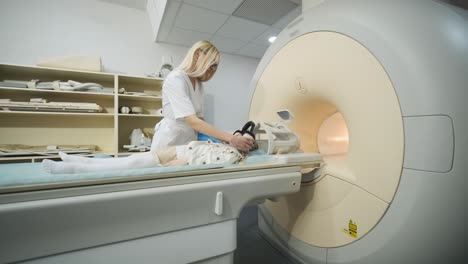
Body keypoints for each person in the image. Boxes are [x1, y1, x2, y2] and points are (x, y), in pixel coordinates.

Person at [151, 40, 254, 153]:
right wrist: (231, 138)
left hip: (188, 141)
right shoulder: (176, 78)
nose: (213, 70)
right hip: (170, 140)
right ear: (197, 55)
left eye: (215, 67)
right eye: (212, 64)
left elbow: (200, 120)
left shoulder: (199, 85)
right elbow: (193, 121)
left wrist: (223, 139)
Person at [42, 140, 244, 174]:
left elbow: (203, 161)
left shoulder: (233, 155)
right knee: (130, 158)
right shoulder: (226, 146)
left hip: (180, 156)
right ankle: (81, 161)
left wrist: (180, 163)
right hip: (178, 149)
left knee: (133, 163)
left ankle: (77, 169)